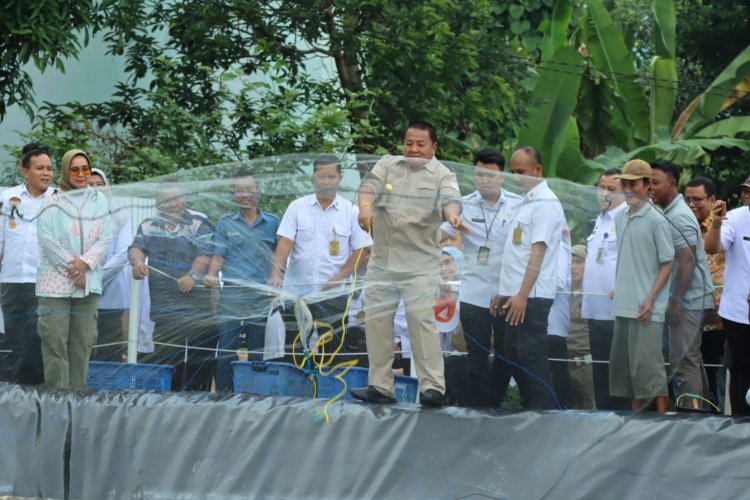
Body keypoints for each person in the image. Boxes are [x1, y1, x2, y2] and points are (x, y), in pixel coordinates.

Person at [352, 121, 466, 407]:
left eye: (420, 144)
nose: (413, 149)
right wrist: (365, 207)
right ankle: (380, 387)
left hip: (420, 265)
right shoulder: (388, 164)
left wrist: (452, 217)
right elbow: (369, 187)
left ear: (433, 147)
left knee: (421, 324)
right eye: (409, 143)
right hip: (382, 263)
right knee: (377, 324)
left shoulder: (443, 174)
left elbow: (451, 200)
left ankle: (433, 389)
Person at [440, 147, 522, 407]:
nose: (484, 180)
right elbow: (437, 235)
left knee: (507, 353)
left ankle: (495, 401)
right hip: (474, 293)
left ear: (502, 177)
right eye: (479, 175)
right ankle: (477, 407)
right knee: (476, 352)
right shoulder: (463, 205)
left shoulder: (518, 206)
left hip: (505, 292)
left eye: (490, 175)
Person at [269, 154, 372, 357]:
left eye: (331, 177)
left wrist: (339, 277)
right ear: (313, 178)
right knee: (294, 349)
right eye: (321, 176)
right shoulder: (297, 207)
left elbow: (363, 251)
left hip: (333, 295)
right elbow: (285, 243)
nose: (326, 182)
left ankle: (327, 387)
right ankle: (295, 387)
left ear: (340, 179)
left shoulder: (351, 211)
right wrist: (275, 275)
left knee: (331, 348)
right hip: (296, 292)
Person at [489, 147, 565, 410]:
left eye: (521, 172)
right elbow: (516, 254)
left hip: (532, 296)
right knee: (511, 352)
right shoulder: (526, 200)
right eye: (513, 171)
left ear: (537, 170)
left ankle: (545, 410)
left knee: (532, 354)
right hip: (516, 293)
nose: (516, 177)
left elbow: (537, 253)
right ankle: (532, 403)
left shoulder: (545, 203)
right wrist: (505, 292)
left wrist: (521, 295)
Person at [36, 149, 112, 388]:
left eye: (85, 169)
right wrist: (74, 269)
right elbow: (47, 240)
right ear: (66, 171)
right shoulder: (52, 200)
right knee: (55, 343)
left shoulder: (99, 199)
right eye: (75, 169)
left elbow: (106, 236)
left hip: (88, 285)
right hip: (55, 286)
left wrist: (85, 264)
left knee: (82, 344)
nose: (81, 174)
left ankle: (78, 400)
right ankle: (57, 401)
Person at [129, 185, 215, 390]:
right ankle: (168, 400)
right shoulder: (148, 225)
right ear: (159, 206)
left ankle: (197, 399)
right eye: (169, 200)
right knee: (168, 358)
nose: (177, 204)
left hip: (196, 307)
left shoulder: (198, 221)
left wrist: (193, 275)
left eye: (179, 198)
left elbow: (206, 252)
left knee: (199, 358)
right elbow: (136, 248)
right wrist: (138, 262)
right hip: (165, 306)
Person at [204, 174, 280, 391]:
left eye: (249, 189)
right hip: (231, 296)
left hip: (260, 297)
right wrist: (211, 274)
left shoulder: (272, 222)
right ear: (233, 195)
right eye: (239, 190)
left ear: (259, 192)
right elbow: (218, 255)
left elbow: (278, 257)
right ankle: (224, 395)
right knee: (226, 350)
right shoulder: (225, 222)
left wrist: (277, 279)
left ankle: (254, 394)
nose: (244, 195)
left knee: (257, 350)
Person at [609, 159, 673, 413]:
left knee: (651, 374)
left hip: (647, 309)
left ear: (648, 185)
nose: (628, 188)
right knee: (629, 376)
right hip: (623, 305)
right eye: (624, 183)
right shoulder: (621, 217)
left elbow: (668, 263)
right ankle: (636, 428)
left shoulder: (657, 220)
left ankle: (662, 428)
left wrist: (650, 299)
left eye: (634, 183)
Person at [649, 161, 713, 409]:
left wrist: (675, 301)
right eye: (648, 182)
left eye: (655, 182)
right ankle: (703, 415)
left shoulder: (679, 216)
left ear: (672, 184)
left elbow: (687, 261)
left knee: (684, 363)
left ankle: (691, 420)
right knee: (691, 361)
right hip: (685, 299)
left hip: (688, 301)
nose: (650, 187)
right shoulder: (666, 211)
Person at [0, 143, 54, 384]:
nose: (46, 173)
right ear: (24, 170)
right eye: (40, 168)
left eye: (50, 169)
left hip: (45, 283)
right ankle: (12, 393)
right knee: (13, 340)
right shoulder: (6, 197)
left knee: (35, 341)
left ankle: (31, 393)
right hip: (11, 281)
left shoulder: (59, 199)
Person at [581, 168, 629, 410]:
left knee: (617, 373)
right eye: (601, 188)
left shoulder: (627, 219)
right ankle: (602, 417)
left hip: (616, 311)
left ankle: (619, 421)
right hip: (595, 309)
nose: (605, 194)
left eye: (612, 189)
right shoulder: (600, 220)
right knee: (599, 369)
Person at [704, 174, 750, 415]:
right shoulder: (735, 217)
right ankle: (740, 428)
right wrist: (717, 223)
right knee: (741, 369)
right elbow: (712, 247)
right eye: (745, 190)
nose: (746, 194)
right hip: (738, 314)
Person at [684, 176, 725, 406]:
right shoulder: (681, 226)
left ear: (712, 199)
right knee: (693, 367)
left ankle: (722, 416)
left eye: (697, 199)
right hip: (688, 312)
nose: (691, 204)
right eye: (687, 199)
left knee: (718, 370)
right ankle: (697, 413)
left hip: (720, 316)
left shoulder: (725, 225)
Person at [88, 168, 133, 362]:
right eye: (91, 184)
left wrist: (95, 279)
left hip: (111, 288)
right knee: (82, 343)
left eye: (100, 185)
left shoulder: (120, 215)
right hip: (80, 288)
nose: (96, 189)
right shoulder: (73, 214)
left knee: (110, 345)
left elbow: (123, 253)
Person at [567, 245, 596, 409]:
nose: (572, 266)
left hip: (587, 367)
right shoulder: (563, 292)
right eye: (570, 262)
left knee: (592, 413)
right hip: (565, 364)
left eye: (578, 262)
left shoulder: (593, 294)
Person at [546, 240, 573, 408]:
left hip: (554, 324)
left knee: (557, 375)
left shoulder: (560, 248)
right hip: (539, 324)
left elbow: (559, 282)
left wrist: (526, 284)